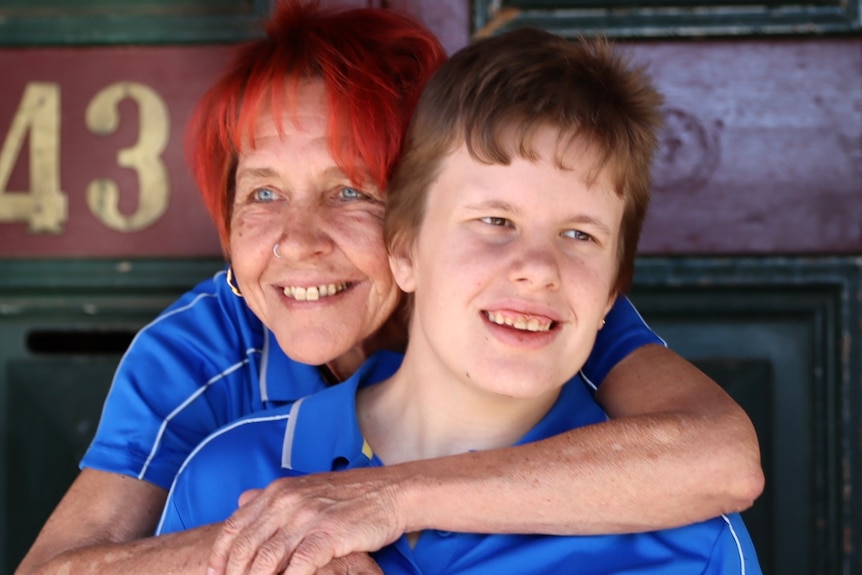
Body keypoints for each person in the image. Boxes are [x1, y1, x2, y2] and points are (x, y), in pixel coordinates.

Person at [14, 2, 763, 575]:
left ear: (412, 218)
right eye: (264, 194)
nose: (298, 242)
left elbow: (720, 460)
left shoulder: (537, 306)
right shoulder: (207, 351)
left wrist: (388, 497)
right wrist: (289, 544)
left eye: (350, 192)